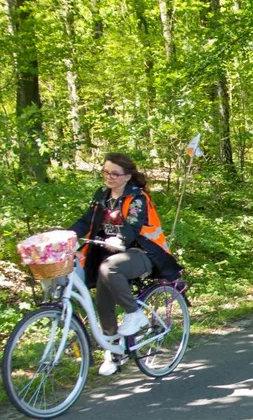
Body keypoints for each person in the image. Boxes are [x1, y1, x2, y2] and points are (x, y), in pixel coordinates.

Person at [68, 152, 182, 377]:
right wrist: (70, 234)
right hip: (108, 255)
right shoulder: (102, 195)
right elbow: (86, 220)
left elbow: (131, 227)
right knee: (102, 304)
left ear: (127, 176)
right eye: (105, 172)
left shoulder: (137, 198)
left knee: (110, 267)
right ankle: (113, 351)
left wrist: (119, 240)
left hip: (143, 253)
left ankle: (134, 313)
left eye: (114, 173)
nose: (109, 177)